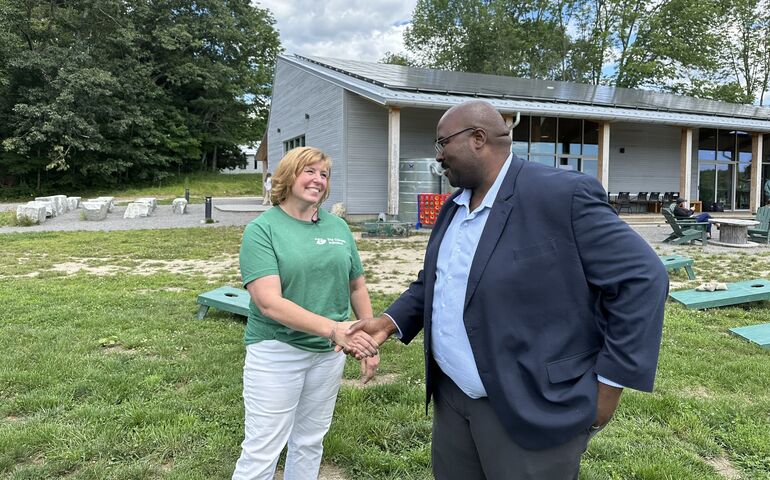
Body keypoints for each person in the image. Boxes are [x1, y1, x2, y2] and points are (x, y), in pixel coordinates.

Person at [344, 100, 668, 479]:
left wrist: (610, 386)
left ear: (478, 139)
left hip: (532, 405)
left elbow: (644, 279)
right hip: (453, 399)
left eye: (442, 143)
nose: (438, 156)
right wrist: (387, 322)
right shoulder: (454, 205)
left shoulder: (561, 195)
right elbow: (436, 279)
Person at [233, 147, 379, 480]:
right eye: (309, 171)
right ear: (287, 176)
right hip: (277, 352)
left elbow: (357, 286)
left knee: (310, 441)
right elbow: (269, 302)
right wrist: (334, 329)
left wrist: (366, 339)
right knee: (263, 448)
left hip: (328, 355)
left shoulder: (338, 228)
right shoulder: (262, 230)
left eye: (324, 174)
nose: (318, 180)